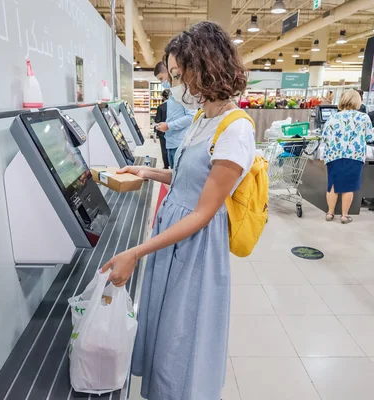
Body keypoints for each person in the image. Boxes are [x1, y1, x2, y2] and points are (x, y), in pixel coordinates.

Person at [102, 21, 254, 400]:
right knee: (164, 326)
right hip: (174, 232)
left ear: (202, 68)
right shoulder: (205, 117)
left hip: (196, 241)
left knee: (182, 335)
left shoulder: (236, 129)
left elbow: (204, 211)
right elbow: (189, 176)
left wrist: (135, 252)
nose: (175, 84)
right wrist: (149, 171)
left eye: (177, 74)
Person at [322, 90, 374, 224]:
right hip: (354, 155)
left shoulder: (332, 118)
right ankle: (344, 216)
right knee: (349, 186)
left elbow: (325, 136)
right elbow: (370, 137)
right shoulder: (363, 117)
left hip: (334, 155)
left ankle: (330, 213)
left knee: (333, 185)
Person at [154, 61, 196, 168]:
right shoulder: (173, 93)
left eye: (161, 78)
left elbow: (191, 117)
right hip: (172, 143)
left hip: (180, 143)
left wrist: (168, 126)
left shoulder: (184, 92)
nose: (162, 82)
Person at [154, 89, 171, 169]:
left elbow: (157, 121)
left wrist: (154, 133)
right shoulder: (173, 107)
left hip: (162, 131)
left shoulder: (160, 107)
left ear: (163, 97)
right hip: (171, 130)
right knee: (171, 148)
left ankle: (166, 165)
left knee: (164, 148)